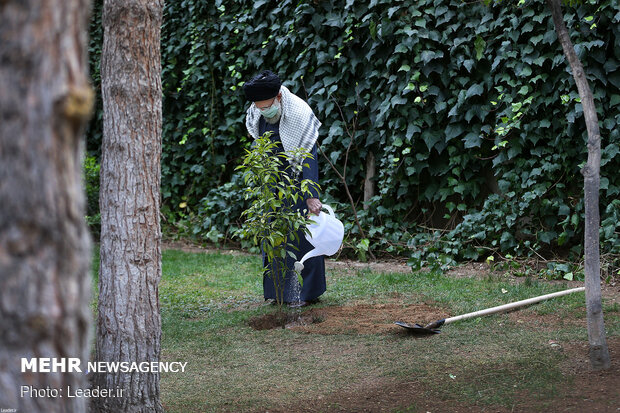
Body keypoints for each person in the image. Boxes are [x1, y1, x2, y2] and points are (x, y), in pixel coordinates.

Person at [243, 70, 325, 307]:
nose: (262, 110)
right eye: (258, 107)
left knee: (303, 236)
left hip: (297, 181)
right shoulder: (256, 113)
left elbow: (309, 155)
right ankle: (277, 293)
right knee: (274, 237)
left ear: (278, 97)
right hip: (272, 185)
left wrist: (311, 197)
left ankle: (307, 293)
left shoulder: (298, 112)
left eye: (266, 106)